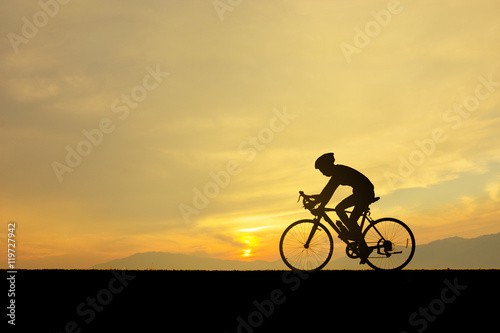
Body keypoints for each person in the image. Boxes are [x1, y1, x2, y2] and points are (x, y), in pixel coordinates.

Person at [312, 153, 376, 263]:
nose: (323, 174)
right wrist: (314, 201)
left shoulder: (338, 173)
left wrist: (320, 205)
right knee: (346, 215)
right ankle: (360, 243)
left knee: (342, 211)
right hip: (363, 192)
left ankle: (359, 241)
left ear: (327, 166)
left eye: (322, 170)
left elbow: (328, 193)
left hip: (364, 193)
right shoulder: (337, 171)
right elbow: (326, 193)